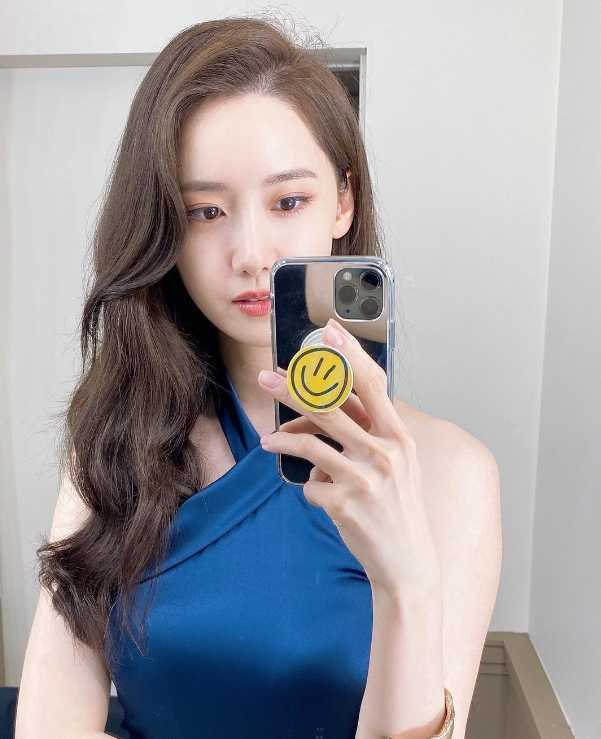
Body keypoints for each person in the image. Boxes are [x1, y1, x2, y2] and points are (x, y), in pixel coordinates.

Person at [15, 13, 502, 739]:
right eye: (204, 211)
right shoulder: (114, 445)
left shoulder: (452, 472)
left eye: (288, 202)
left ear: (342, 201)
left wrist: (405, 579)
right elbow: (50, 726)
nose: (249, 253)